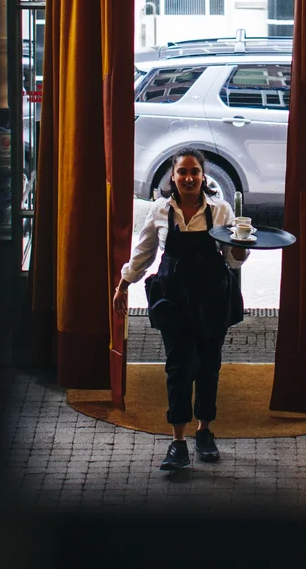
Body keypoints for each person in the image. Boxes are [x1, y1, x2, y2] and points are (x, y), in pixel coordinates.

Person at [113, 149, 246, 471]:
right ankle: (178, 442)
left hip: (213, 296)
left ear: (204, 176)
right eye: (182, 172)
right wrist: (123, 284)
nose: (188, 178)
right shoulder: (161, 210)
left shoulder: (221, 209)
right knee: (178, 366)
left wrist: (241, 245)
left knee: (209, 365)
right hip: (173, 298)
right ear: (172, 177)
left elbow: (232, 260)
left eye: (195, 172)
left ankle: (204, 432)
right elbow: (144, 253)